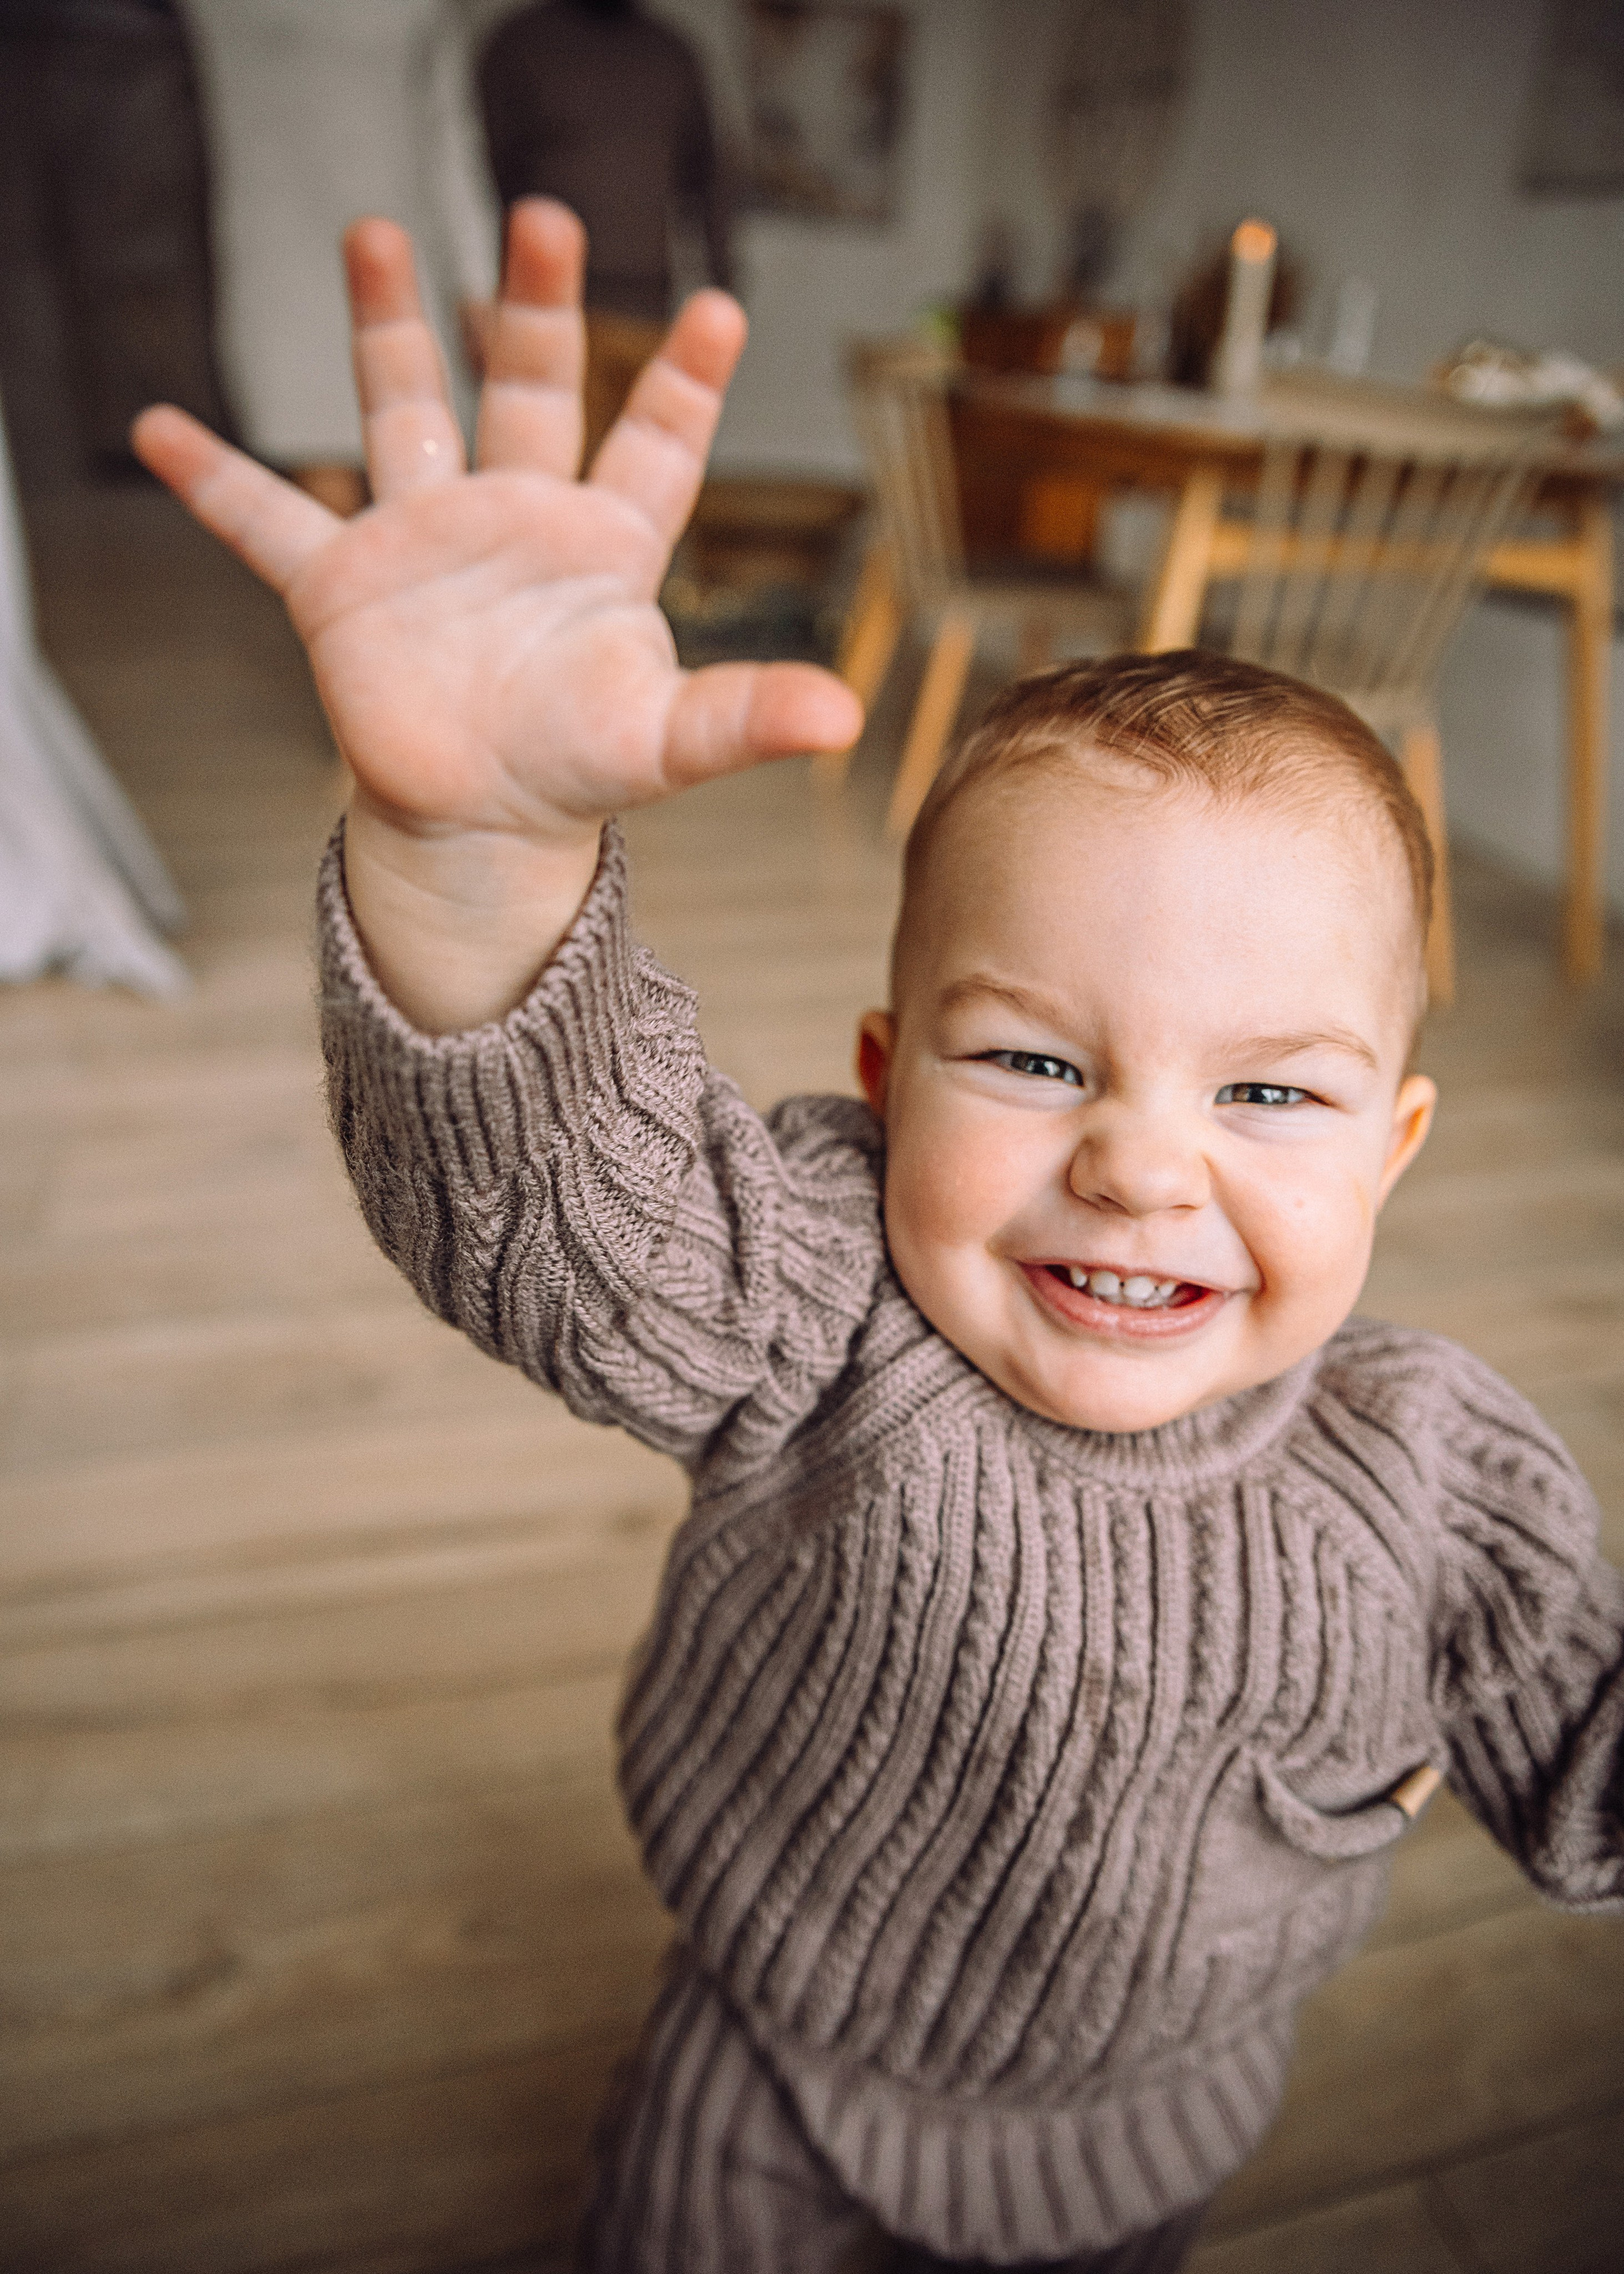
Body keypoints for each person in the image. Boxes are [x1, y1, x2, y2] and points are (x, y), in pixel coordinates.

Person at [131, 200, 1624, 2273]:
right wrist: (465, 856)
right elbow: (567, 1201)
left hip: (1153, 2127)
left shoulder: (1442, 1476)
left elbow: (1593, 1748)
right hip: (766, 2063)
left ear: (1398, 1144)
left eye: (1268, 1093)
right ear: (887, 1068)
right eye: (1030, 1063)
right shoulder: (819, 1293)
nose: (1137, 1166)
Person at [180, 0, 499, 515]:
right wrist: (477, 283)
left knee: (416, 460)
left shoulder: (423, 14)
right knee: (331, 468)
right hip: (282, 253)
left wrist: (478, 285)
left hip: (398, 255)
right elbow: (452, 141)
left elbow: (450, 141)